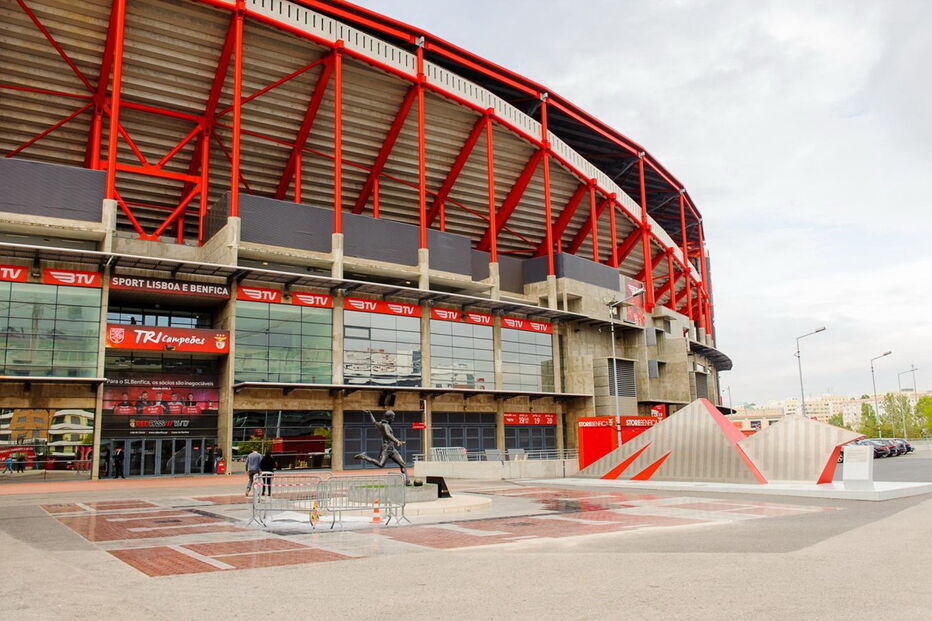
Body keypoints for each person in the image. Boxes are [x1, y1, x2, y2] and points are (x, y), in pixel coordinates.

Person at [353, 409, 408, 483]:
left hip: (392, 449)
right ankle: (364, 457)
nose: (393, 419)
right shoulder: (385, 425)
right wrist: (397, 441)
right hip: (386, 449)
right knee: (380, 464)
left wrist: (370, 414)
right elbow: (388, 434)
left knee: (403, 464)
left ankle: (407, 481)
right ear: (389, 417)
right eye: (392, 417)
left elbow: (374, 422)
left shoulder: (381, 424)